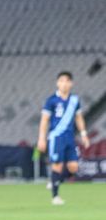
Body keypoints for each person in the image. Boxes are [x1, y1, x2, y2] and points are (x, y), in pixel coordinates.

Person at [36, 71, 90, 205]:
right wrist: (41, 139)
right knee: (57, 165)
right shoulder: (51, 100)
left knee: (74, 167)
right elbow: (44, 120)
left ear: (71, 83)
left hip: (70, 137)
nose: (64, 84)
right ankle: (55, 197)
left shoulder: (74, 100)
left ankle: (55, 180)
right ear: (57, 83)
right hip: (56, 137)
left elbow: (79, 118)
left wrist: (84, 134)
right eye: (61, 81)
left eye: (66, 81)